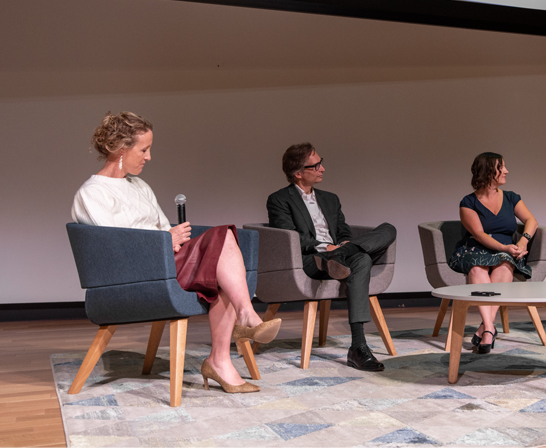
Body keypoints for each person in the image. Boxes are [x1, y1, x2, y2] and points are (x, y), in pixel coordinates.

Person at [72, 111, 281, 393]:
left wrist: (170, 238)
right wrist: (165, 238)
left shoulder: (140, 186)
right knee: (222, 239)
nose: (148, 157)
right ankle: (246, 318)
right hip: (138, 275)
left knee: (224, 248)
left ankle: (222, 358)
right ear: (121, 148)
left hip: (168, 262)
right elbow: (117, 247)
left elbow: (162, 228)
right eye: (143, 149)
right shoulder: (92, 193)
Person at [266, 143, 397, 372]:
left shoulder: (330, 199)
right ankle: (358, 346)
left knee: (388, 229)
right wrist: (324, 248)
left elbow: (344, 231)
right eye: (315, 165)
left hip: (338, 257)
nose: (322, 168)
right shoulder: (279, 199)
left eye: (320, 162)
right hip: (311, 258)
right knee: (363, 260)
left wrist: (343, 245)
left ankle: (342, 255)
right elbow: (291, 238)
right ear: (298, 173)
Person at [448, 152, 538, 354]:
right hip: (476, 249)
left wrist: (523, 240)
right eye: (501, 167)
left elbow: (532, 221)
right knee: (477, 268)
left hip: (506, 252)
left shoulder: (512, 197)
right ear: (489, 171)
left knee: (505, 265)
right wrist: (505, 248)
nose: (506, 171)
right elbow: (479, 235)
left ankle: (485, 327)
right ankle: (489, 327)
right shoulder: (468, 202)